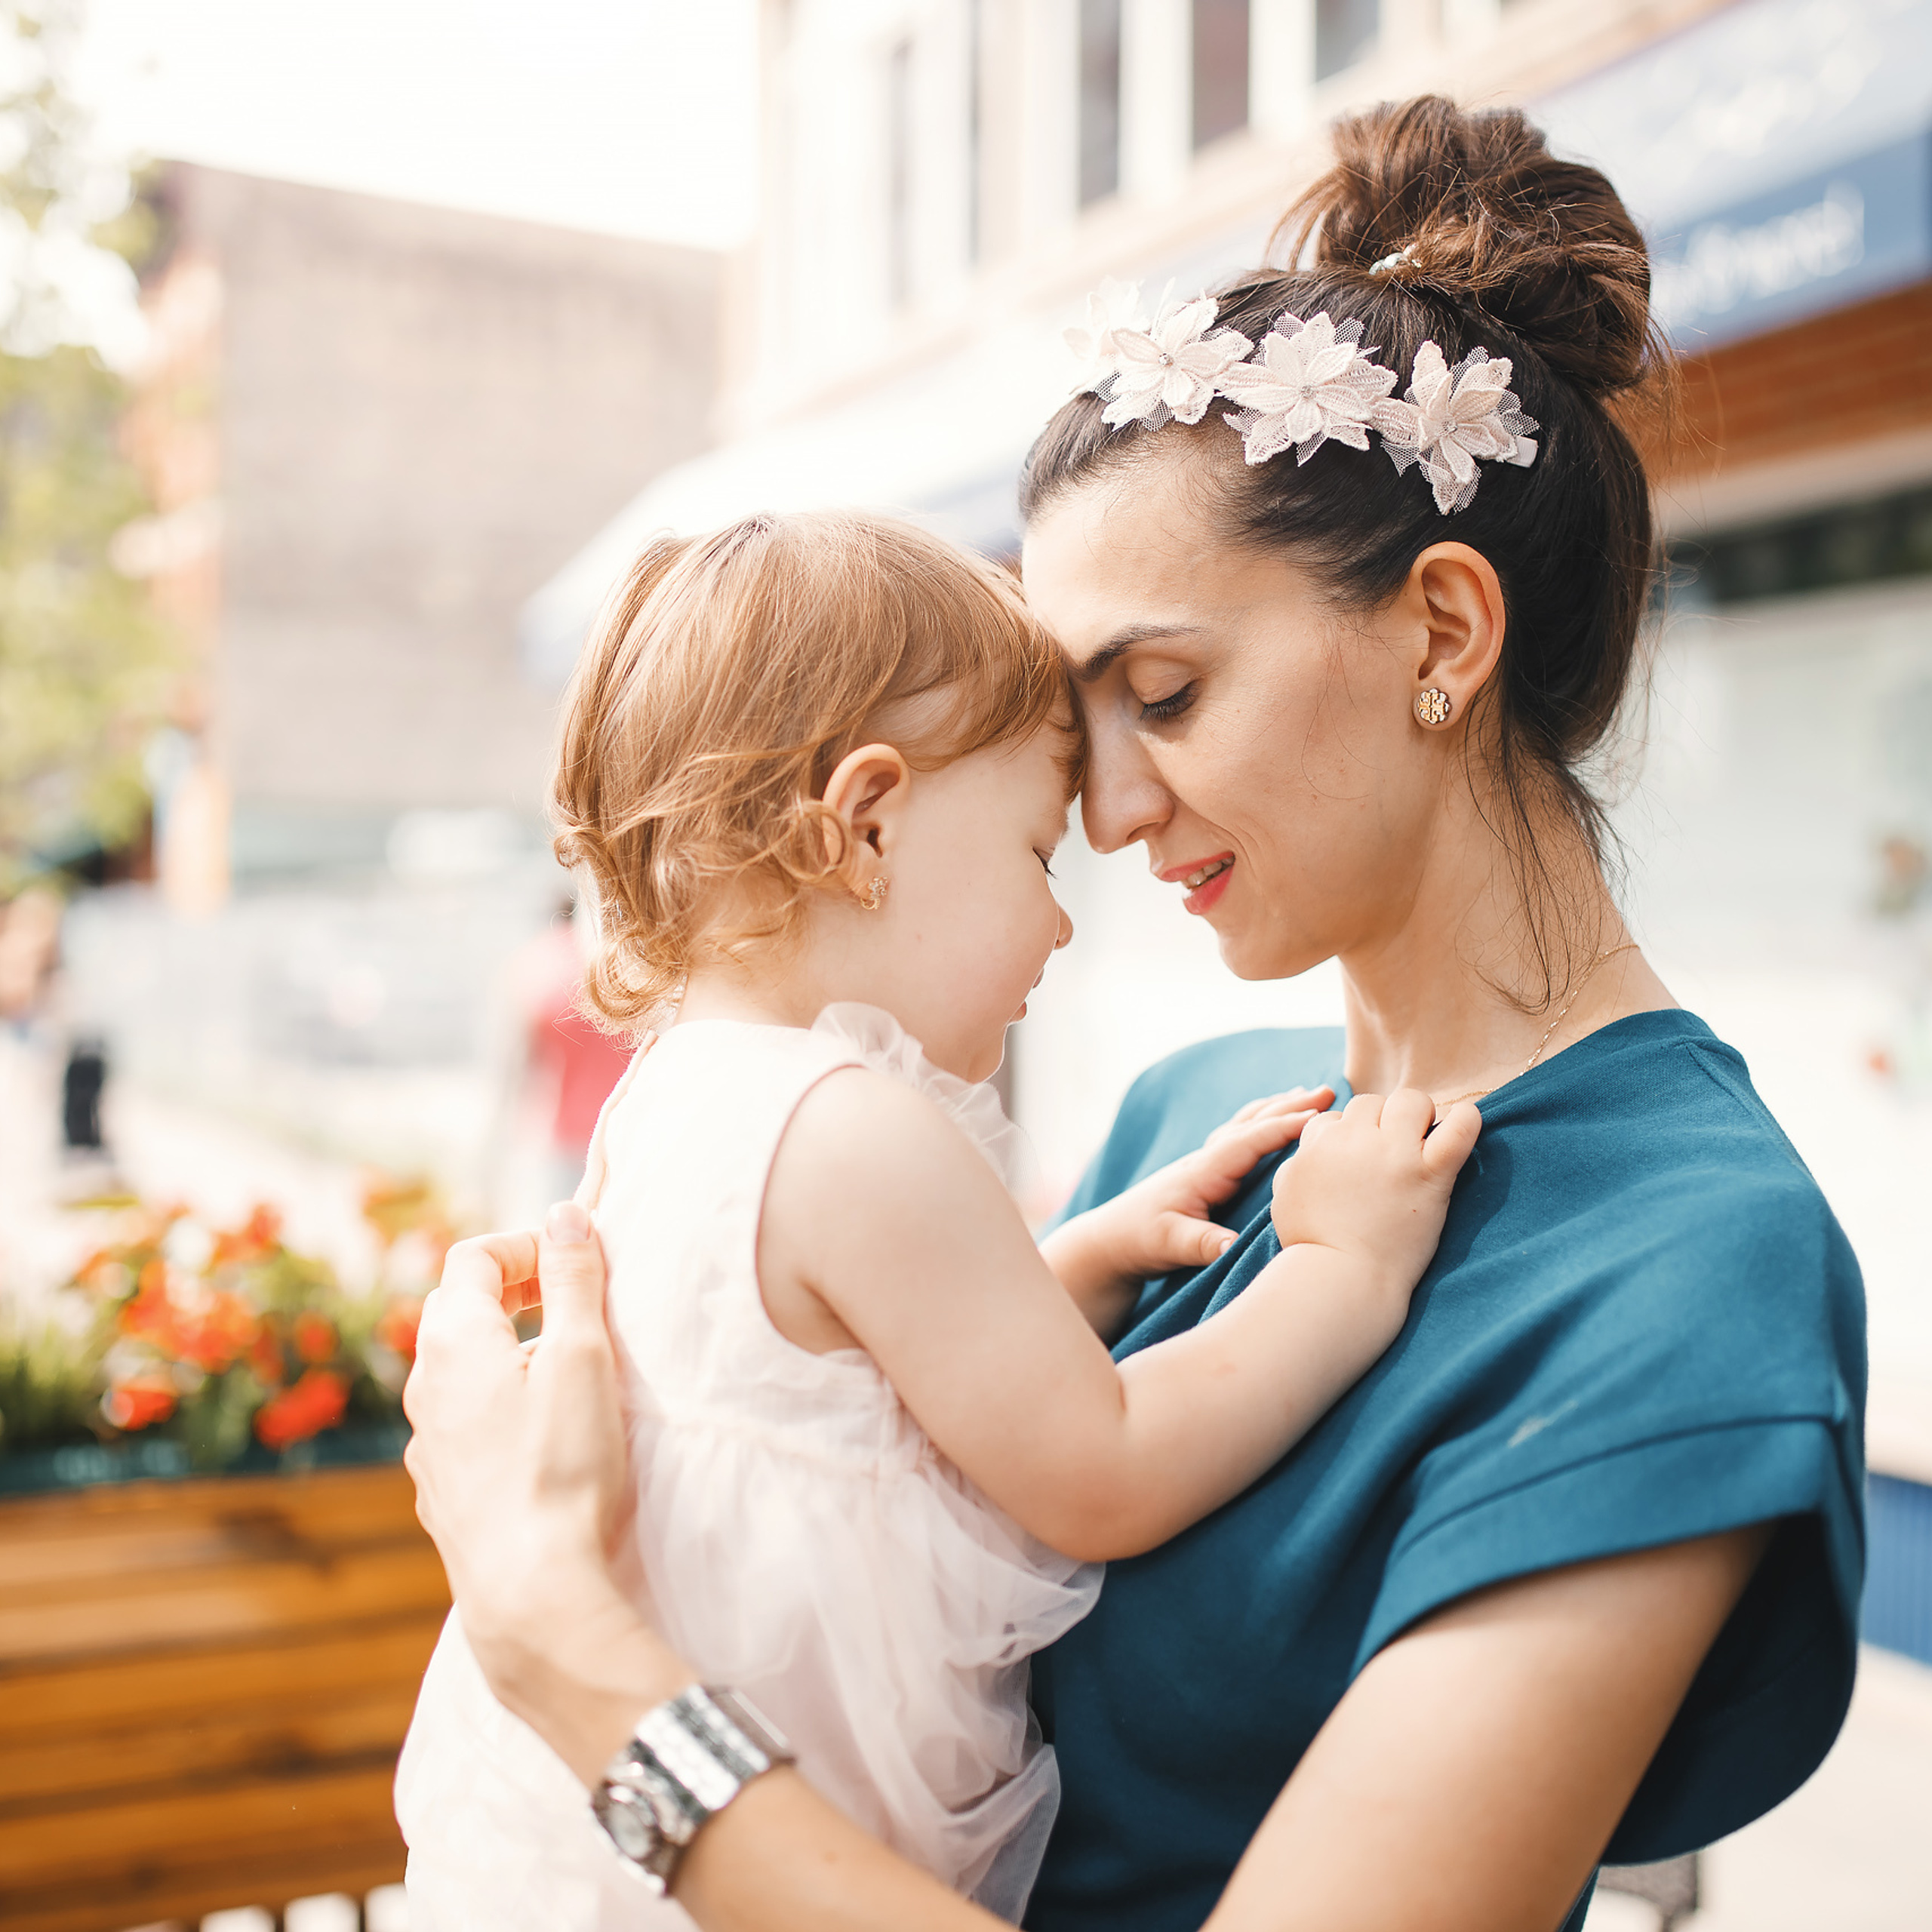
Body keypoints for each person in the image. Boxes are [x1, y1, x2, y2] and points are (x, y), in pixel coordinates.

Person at [401, 97, 1866, 1932]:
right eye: (1073, 729)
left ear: (1438, 634)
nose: (1099, 812)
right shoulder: (1208, 1107)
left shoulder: (1684, 1270)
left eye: (1160, 691)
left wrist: (574, 1655)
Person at [396, 512, 1481, 1928]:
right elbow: (1103, 1465)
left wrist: (1067, 1267)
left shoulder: (680, 1093)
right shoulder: (853, 1124)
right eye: (1037, 856)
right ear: (865, 824)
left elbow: (836, 1384)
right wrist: (1341, 1267)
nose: (1062, 926)